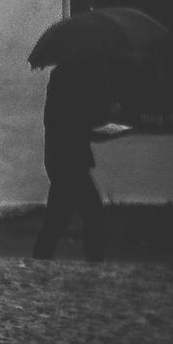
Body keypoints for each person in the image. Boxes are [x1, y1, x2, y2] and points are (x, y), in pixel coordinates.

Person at [31, 53, 111, 261]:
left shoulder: (61, 76)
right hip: (71, 159)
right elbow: (83, 118)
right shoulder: (75, 79)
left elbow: (64, 119)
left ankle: (41, 258)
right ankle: (94, 263)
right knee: (92, 213)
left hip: (59, 156)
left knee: (57, 217)